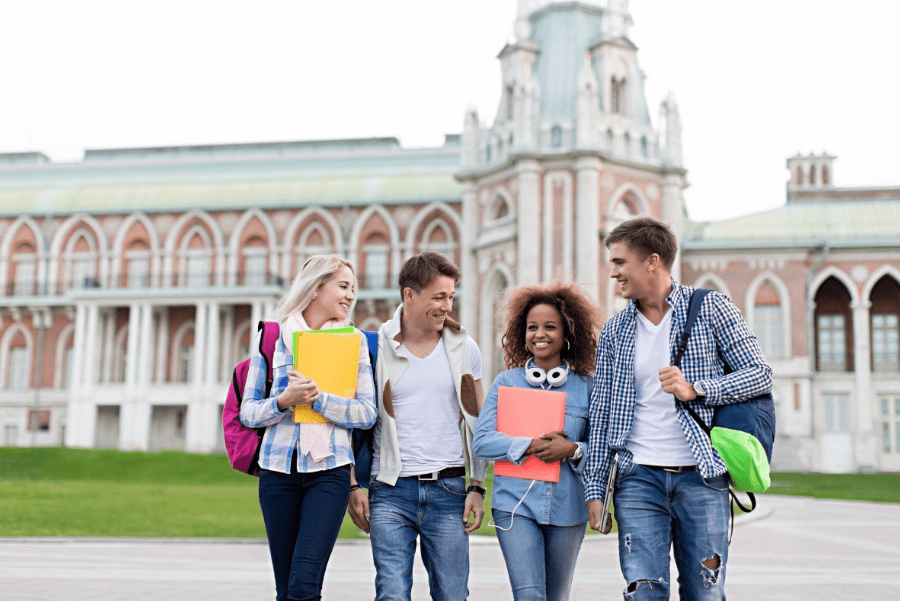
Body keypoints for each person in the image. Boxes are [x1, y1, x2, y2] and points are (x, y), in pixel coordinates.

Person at [583, 217, 773, 600]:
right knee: (644, 593)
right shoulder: (616, 330)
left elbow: (761, 375)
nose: (612, 273)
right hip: (638, 479)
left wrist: (696, 389)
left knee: (705, 592)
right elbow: (601, 412)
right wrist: (594, 487)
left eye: (620, 262)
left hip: (702, 477)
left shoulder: (710, 308)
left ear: (652, 261)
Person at [347, 250, 487, 601]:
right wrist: (351, 485)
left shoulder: (465, 348)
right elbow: (349, 422)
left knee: (453, 595)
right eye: (439, 297)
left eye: (451, 297)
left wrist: (478, 486)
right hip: (391, 493)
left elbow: (479, 422)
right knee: (392, 594)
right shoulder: (373, 349)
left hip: (450, 490)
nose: (447, 306)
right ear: (409, 295)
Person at [240, 254, 377, 601]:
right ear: (316, 288)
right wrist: (283, 401)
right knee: (286, 590)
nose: (350, 296)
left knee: (304, 585)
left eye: (353, 289)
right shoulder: (272, 338)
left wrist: (318, 401)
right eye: (343, 286)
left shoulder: (353, 341)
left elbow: (366, 413)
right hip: (277, 472)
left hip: (327, 473)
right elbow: (248, 413)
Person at [473, 281, 601, 601]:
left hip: (569, 509)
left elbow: (604, 447)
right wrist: (529, 445)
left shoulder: (587, 387)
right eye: (532, 327)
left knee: (556, 597)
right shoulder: (507, 382)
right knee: (529, 596)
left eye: (550, 327)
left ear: (567, 334)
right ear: (522, 333)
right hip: (515, 507)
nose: (539, 334)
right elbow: (482, 442)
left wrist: (572, 449)